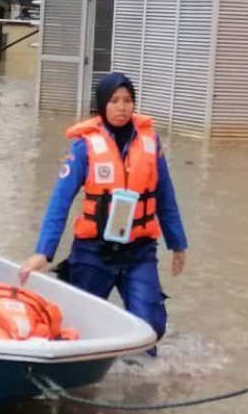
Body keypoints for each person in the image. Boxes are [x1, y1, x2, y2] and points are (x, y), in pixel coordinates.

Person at [19, 72, 188, 350]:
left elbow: (165, 196)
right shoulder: (84, 147)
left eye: (127, 100)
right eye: (114, 101)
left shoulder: (150, 143)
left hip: (139, 251)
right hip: (93, 252)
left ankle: (142, 383)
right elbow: (59, 202)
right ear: (102, 105)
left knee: (151, 326)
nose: (121, 107)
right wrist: (43, 251)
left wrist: (178, 244)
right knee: (79, 328)